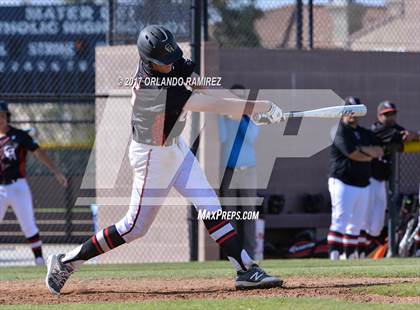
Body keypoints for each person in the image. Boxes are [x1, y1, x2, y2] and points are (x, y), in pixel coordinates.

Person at [46, 25, 283, 295]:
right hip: (152, 156)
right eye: (164, 63)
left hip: (175, 147)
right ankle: (66, 262)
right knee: (134, 228)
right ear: (148, 62)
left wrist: (249, 109)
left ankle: (245, 269)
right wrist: (258, 107)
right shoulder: (155, 89)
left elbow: (203, 86)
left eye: (172, 59)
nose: (171, 66)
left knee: (209, 203)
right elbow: (215, 105)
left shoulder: (166, 61)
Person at [0, 101, 68, 265]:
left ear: (7, 117)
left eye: (2, 115)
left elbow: (39, 153)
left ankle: (38, 260)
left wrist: (56, 172)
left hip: (18, 186)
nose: (0, 119)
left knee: (28, 224)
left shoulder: (20, 136)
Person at [327, 97, 383, 260]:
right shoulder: (338, 130)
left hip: (363, 183)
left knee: (356, 224)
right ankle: (334, 256)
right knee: (340, 220)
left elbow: (379, 150)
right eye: (350, 110)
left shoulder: (364, 133)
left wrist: (363, 151)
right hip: (342, 181)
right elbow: (352, 153)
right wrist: (367, 154)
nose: (353, 114)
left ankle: (350, 258)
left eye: (357, 110)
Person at [364, 101, 419, 249]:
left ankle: (363, 248)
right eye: (386, 114)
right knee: (362, 219)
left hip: (380, 181)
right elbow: (402, 137)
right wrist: (409, 135)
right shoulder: (377, 129)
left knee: (376, 226)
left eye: (392, 113)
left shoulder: (395, 129)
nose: (390, 117)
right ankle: (351, 252)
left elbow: (409, 135)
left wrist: (412, 135)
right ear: (379, 116)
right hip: (367, 180)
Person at [219, 85, 260, 258]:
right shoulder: (223, 117)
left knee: (249, 213)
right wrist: (224, 116)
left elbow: (251, 137)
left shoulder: (249, 119)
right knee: (230, 213)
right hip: (229, 171)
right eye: (236, 97)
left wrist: (241, 119)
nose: (239, 100)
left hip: (248, 171)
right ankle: (233, 254)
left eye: (242, 97)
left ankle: (250, 253)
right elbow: (221, 137)